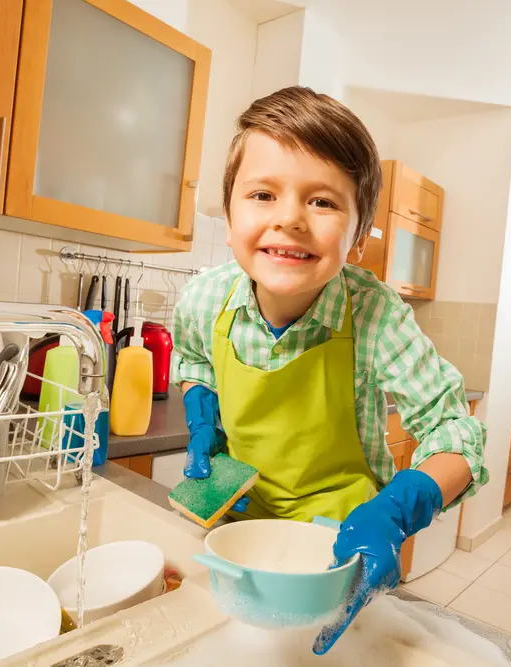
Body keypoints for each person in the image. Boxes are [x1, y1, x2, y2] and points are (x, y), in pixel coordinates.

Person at [170, 86, 488, 654]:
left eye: (322, 202)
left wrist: (397, 510)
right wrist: (201, 413)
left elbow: (457, 434)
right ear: (229, 213)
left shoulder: (377, 317)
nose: (289, 219)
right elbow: (197, 360)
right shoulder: (200, 299)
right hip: (237, 535)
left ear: (359, 237)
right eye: (263, 194)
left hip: (338, 553)